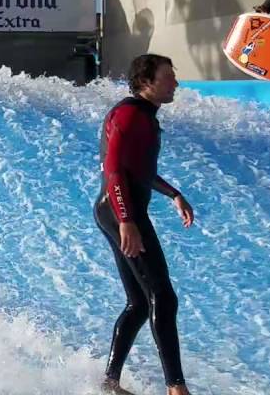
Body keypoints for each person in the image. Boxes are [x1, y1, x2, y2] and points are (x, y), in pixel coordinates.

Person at [94, 54, 196, 395]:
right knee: (162, 297)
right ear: (145, 82)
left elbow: (139, 170)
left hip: (119, 210)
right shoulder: (128, 114)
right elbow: (113, 168)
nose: (175, 83)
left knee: (139, 303)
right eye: (168, 77)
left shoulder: (144, 116)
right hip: (120, 211)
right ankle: (176, 388)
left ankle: (109, 384)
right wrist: (126, 220)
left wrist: (173, 194)